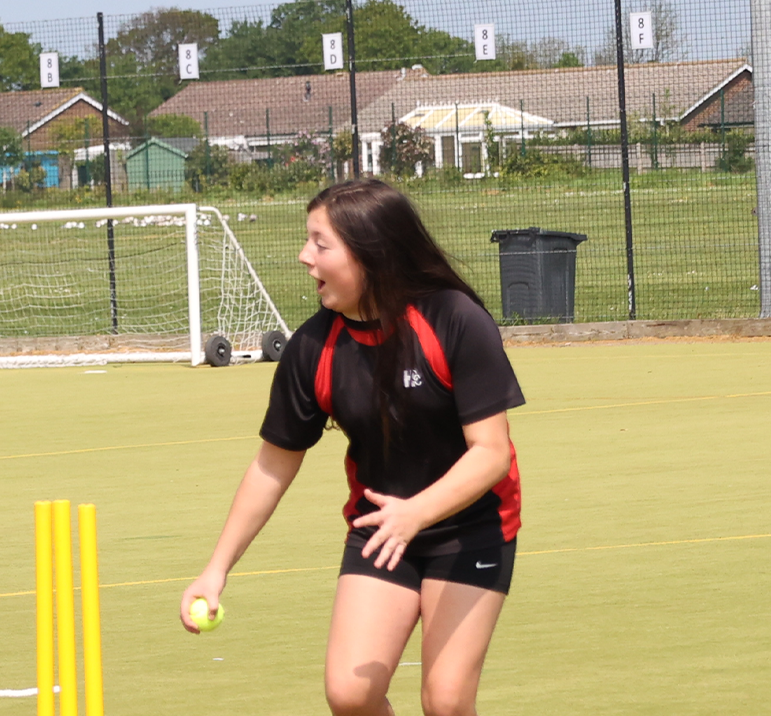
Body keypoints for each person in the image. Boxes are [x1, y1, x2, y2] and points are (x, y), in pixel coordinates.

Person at [179, 178, 523, 716]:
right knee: (350, 694)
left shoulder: (454, 320)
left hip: (472, 528)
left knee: (447, 700)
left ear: (371, 254)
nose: (304, 257)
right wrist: (216, 568)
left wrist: (416, 514)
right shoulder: (313, 347)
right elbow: (273, 465)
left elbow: (491, 453)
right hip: (378, 532)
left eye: (320, 243)